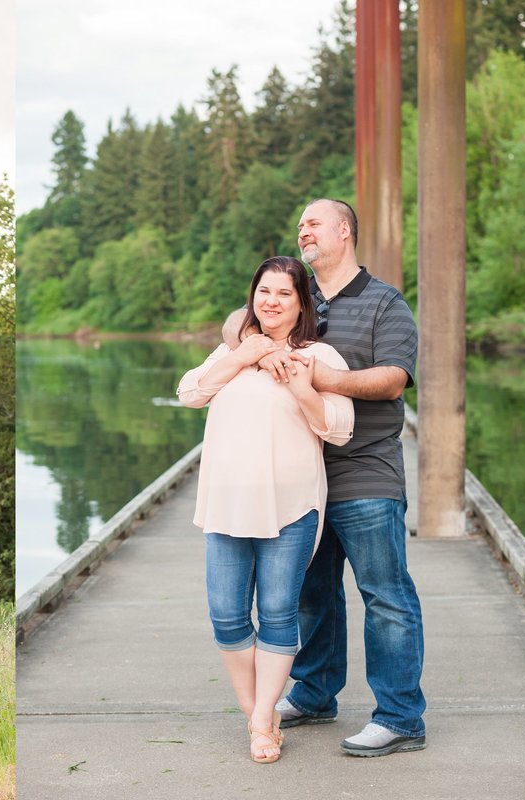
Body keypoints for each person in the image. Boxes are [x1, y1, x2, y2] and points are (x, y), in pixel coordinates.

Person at [224, 198, 427, 758]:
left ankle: (401, 717)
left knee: (385, 595)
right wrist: (259, 349)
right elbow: (234, 321)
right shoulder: (299, 296)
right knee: (309, 596)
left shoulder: (385, 301)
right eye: (299, 225)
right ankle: (314, 695)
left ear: (344, 230)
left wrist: (326, 377)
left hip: (364, 471)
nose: (302, 230)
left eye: (312, 223)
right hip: (296, 478)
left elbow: (393, 380)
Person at [178, 255, 354, 764]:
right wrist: (243, 355)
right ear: (252, 297)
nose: (271, 302)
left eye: (283, 294)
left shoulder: (320, 357)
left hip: (290, 507)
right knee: (227, 616)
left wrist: (302, 388)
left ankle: (260, 723)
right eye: (263, 292)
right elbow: (190, 392)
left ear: (301, 304)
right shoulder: (233, 349)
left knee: (278, 613)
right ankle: (259, 711)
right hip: (227, 505)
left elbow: (339, 429)